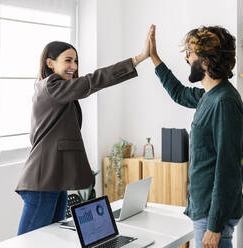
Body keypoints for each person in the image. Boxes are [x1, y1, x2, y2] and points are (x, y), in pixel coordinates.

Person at [16, 33, 151, 235]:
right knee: (27, 242)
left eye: (76, 61)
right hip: (42, 180)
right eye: (68, 60)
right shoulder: (51, 86)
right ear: (50, 63)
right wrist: (137, 59)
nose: (74, 66)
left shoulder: (58, 91)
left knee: (51, 239)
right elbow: (93, 81)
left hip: (54, 179)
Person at [149, 25, 243, 248]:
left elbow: (228, 170)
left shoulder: (224, 102)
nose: (186, 59)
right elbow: (179, 93)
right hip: (205, 208)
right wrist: (154, 58)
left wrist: (214, 226)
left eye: (189, 53)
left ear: (205, 60)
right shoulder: (209, 97)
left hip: (213, 215)